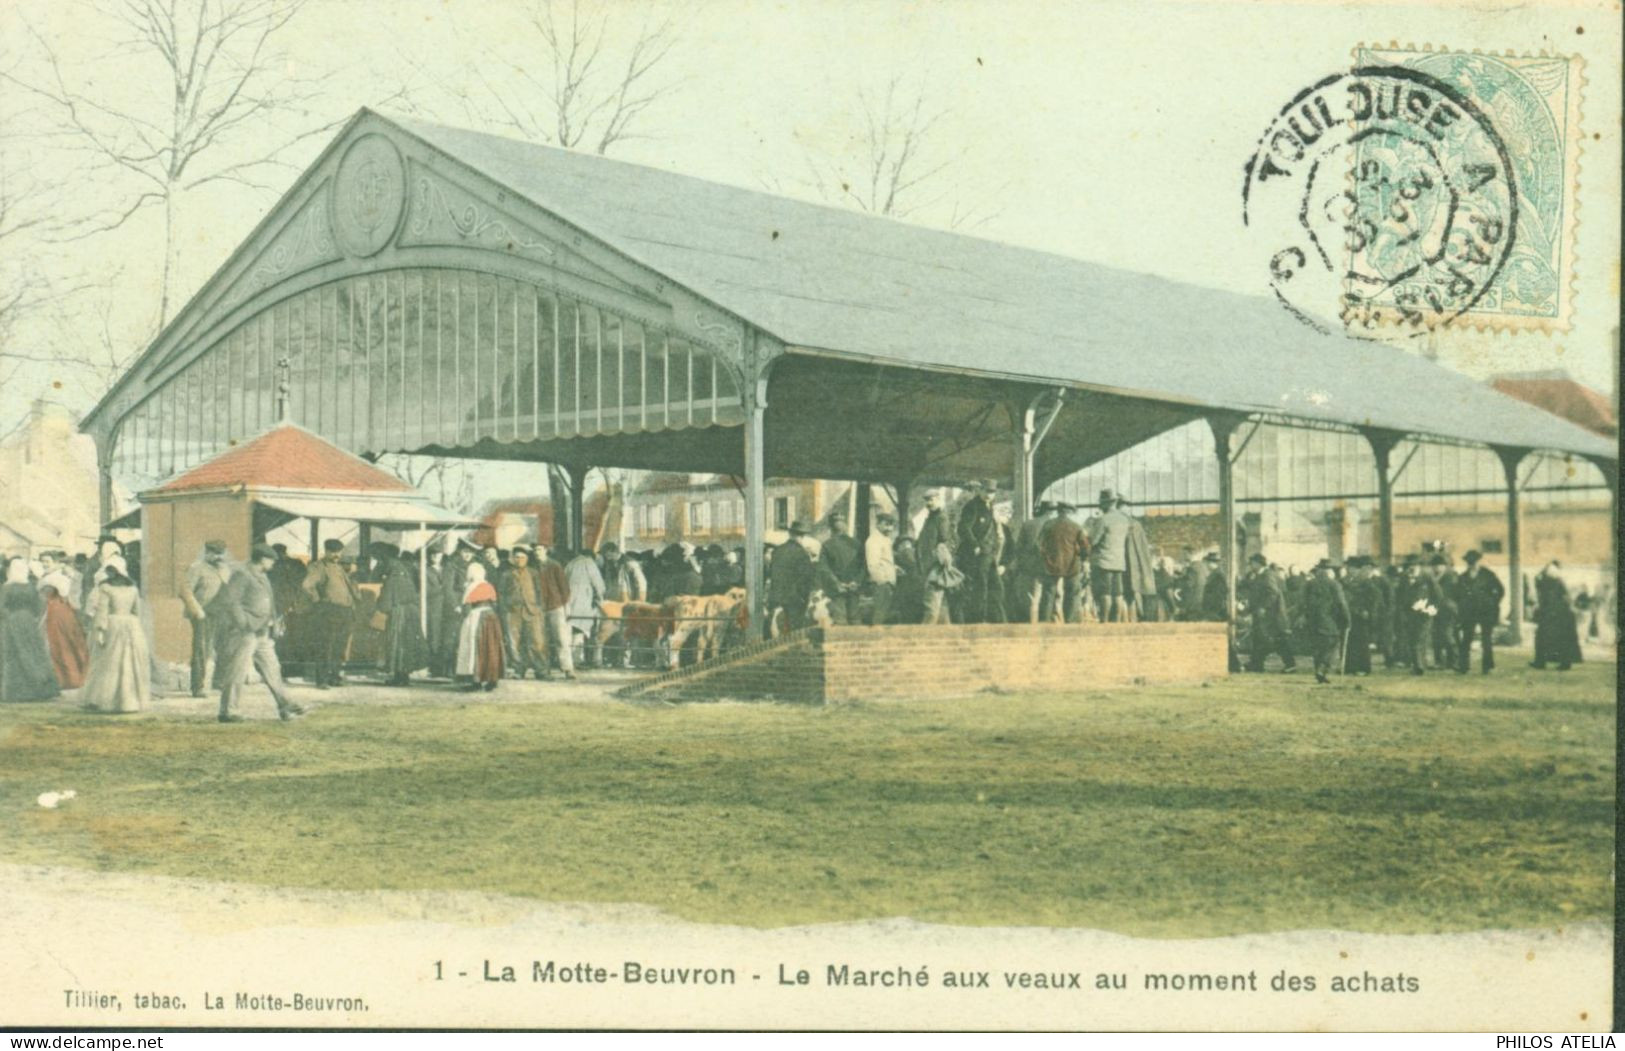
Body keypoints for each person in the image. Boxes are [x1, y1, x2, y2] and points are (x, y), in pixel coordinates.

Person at [216, 545, 305, 722]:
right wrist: (244, 623)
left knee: (273, 668)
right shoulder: (242, 574)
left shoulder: (262, 576)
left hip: (262, 632)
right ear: (263, 559)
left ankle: (285, 705)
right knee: (237, 671)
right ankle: (228, 711)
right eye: (271, 560)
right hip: (245, 633)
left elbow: (269, 601)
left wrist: (273, 621)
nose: (273, 563)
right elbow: (230, 602)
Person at [79, 557, 150, 714]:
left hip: (113, 624)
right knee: (128, 662)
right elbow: (137, 610)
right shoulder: (133, 588)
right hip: (131, 625)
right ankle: (128, 701)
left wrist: (99, 630)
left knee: (108, 663)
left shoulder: (106, 587)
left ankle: (106, 700)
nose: (109, 573)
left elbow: (102, 610)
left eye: (110, 570)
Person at [1, 557, 60, 703]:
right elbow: (38, 606)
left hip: (11, 622)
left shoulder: (6, 588)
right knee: (33, 653)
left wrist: (9, 617)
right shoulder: (31, 587)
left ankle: (15, 690)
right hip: (28, 622)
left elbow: (1, 607)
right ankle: (38, 688)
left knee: (12, 654)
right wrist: (32, 618)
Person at [180, 540, 234, 698]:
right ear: (207, 553)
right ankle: (198, 686)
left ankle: (219, 681)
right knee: (202, 650)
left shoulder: (225, 569)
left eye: (220, 554)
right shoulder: (196, 568)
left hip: (222, 613)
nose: (217, 557)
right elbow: (185, 591)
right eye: (214, 553)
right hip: (203, 613)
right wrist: (197, 610)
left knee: (224, 647)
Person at [302, 538, 359, 688]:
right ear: (326, 551)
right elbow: (307, 586)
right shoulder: (319, 567)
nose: (336, 555)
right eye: (332, 551)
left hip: (344, 611)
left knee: (339, 646)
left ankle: (334, 677)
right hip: (329, 611)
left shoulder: (339, 567)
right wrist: (319, 602)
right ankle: (322, 680)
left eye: (338, 551)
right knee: (325, 646)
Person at [376, 550, 430, 686]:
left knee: (397, 644)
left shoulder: (392, 578)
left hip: (399, 614)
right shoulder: (407, 575)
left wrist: (379, 604)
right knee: (408, 645)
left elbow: (384, 604)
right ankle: (404, 676)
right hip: (411, 613)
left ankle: (398, 676)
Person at [37, 552, 89, 691]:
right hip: (52, 611)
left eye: (47, 561)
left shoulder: (58, 577)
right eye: (42, 561)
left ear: (55, 562)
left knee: (59, 643)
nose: (44, 564)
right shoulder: (48, 576)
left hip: (57, 612)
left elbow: (67, 595)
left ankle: (65, 678)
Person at [954, 481, 1002, 623]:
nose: (989, 495)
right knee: (979, 587)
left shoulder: (990, 507)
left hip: (989, 554)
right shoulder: (972, 506)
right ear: (980, 490)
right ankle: (977, 619)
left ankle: (991, 618)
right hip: (976, 555)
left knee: (995, 587)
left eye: (992, 492)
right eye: (986, 491)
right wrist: (974, 545)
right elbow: (963, 528)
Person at [499, 546, 549, 680]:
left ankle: (541, 670)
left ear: (527, 559)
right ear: (513, 559)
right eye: (517, 557)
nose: (519, 560)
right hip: (512, 612)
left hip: (532, 611)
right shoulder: (506, 574)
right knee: (513, 643)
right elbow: (501, 594)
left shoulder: (533, 573)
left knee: (537, 641)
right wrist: (505, 609)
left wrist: (539, 608)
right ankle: (518, 669)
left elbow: (540, 591)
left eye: (522, 557)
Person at [454, 562, 505, 691]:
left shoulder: (472, 587)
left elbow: (466, 606)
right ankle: (491, 679)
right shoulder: (488, 585)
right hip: (491, 618)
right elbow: (495, 603)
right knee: (490, 647)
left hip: (477, 618)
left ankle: (476, 680)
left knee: (474, 647)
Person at [1086, 489, 1134, 622]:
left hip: (1103, 561)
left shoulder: (1103, 520)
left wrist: (1089, 531)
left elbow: (1094, 541)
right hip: (1119, 562)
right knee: (1118, 594)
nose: (1100, 506)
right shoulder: (1124, 520)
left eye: (1101, 503)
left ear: (1106, 503)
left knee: (1105, 593)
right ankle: (1117, 621)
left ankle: (1104, 620)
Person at [1244, 553, 1297, 672]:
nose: (1251, 566)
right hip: (1263, 615)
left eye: (1252, 563)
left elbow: (1273, 593)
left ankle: (1290, 664)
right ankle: (1256, 663)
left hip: (1271, 615)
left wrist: (1263, 607)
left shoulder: (1267, 575)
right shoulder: (1259, 575)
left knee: (1277, 640)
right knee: (1259, 638)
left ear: (1258, 564)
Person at [1455, 549, 1504, 674]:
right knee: (1467, 638)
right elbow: (1458, 595)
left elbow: (1500, 590)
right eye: (1469, 563)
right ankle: (1463, 667)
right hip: (1469, 612)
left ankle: (1487, 667)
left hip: (1486, 611)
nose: (1472, 565)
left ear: (1478, 561)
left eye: (1474, 562)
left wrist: (1493, 602)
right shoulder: (1463, 577)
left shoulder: (1488, 575)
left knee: (1486, 639)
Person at [1303, 559, 1351, 684]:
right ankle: (1322, 669)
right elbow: (1341, 603)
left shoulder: (1310, 584)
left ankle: (1319, 672)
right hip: (1329, 620)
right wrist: (1347, 619)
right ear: (1329, 571)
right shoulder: (1334, 584)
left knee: (1318, 647)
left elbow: (1303, 602)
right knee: (1332, 645)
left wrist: (1305, 616)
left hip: (1312, 620)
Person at [1039, 502, 1088, 623]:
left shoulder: (1048, 524)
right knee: (1072, 593)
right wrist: (1084, 559)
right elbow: (1085, 547)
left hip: (1051, 563)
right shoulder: (1076, 526)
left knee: (1048, 594)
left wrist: (1046, 557)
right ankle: (1070, 622)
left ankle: (1045, 622)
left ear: (1059, 511)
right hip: (1072, 564)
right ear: (1070, 512)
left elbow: (1039, 544)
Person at [1530, 561, 1582, 671]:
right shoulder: (1558, 582)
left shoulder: (1546, 583)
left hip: (1550, 615)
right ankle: (1563, 663)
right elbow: (1566, 598)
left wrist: (1543, 569)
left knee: (1542, 638)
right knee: (1562, 640)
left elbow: (1537, 580)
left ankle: (1541, 662)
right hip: (1561, 615)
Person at [534, 545, 575, 679]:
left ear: (545, 550)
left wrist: (564, 606)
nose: (537, 552)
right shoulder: (532, 566)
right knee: (541, 640)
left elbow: (564, 587)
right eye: (534, 550)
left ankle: (568, 668)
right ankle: (544, 670)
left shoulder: (554, 566)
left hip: (555, 606)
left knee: (560, 638)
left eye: (539, 549)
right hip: (538, 608)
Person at [767, 521, 816, 633]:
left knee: (775, 633)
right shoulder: (802, 553)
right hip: (794, 600)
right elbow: (807, 579)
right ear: (802, 536)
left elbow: (772, 572)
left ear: (790, 534)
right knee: (793, 633)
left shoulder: (777, 551)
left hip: (776, 598)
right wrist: (805, 598)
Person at [1395, 556, 1440, 675]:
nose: (1411, 568)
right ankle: (1418, 664)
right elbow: (1399, 595)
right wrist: (1402, 610)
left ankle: (1419, 666)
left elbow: (1437, 594)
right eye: (1409, 566)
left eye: (1414, 565)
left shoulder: (1427, 577)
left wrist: (1431, 607)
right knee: (1412, 639)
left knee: (1419, 639)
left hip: (1425, 613)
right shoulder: (1404, 578)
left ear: (1419, 566)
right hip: (1409, 613)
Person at [915, 493, 956, 625]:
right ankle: (949, 638)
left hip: (935, 567)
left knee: (931, 606)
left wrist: (937, 559)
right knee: (942, 608)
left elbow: (944, 541)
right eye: (926, 500)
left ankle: (922, 638)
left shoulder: (941, 518)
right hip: (930, 566)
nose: (929, 503)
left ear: (938, 499)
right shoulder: (931, 518)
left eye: (931, 500)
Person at [1012, 502, 1055, 623]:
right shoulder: (1055, 524)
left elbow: (1018, 547)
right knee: (1049, 598)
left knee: (1033, 598)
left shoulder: (1028, 524)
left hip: (1031, 567)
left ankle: (1032, 625)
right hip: (1051, 567)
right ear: (1051, 512)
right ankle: (1046, 625)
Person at [820, 511, 864, 625]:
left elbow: (824, 568)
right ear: (845, 525)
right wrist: (856, 582)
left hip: (837, 589)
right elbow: (863, 566)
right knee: (855, 620)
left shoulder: (827, 545)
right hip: (854, 588)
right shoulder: (856, 544)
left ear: (830, 527)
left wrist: (837, 583)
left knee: (840, 621)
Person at [564, 547, 605, 666]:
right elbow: (598, 584)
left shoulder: (570, 564)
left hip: (568, 601)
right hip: (583, 601)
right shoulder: (589, 563)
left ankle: (569, 659)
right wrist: (600, 598)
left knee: (570, 629)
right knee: (580, 629)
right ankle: (578, 659)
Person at [1342, 557, 1381, 676]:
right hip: (1349, 614)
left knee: (1362, 642)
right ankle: (1350, 667)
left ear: (1357, 569)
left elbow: (1375, 596)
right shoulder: (1345, 580)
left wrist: (1367, 610)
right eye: (1348, 567)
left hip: (1361, 615)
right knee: (1350, 641)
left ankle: (1363, 667)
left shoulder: (1365, 581)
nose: (1349, 570)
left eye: (1351, 568)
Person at [423, 548, 454, 678]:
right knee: (434, 636)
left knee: (447, 637)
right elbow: (424, 589)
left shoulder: (448, 570)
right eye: (433, 554)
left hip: (448, 607)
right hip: (433, 606)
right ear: (429, 556)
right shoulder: (425, 570)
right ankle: (434, 667)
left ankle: (447, 668)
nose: (436, 556)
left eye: (438, 554)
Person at [1427, 554, 1460, 670]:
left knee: (1447, 635)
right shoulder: (1432, 577)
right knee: (1435, 636)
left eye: (1438, 566)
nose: (1436, 568)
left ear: (1444, 566)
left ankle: (1454, 661)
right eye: (1434, 566)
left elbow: (1455, 594)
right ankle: (1439, 661)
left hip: (1448, 610)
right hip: (1434, 610)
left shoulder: (1451, 577)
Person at [865, 514, 898, 625]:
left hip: (888, 582)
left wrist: (895, 569)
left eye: (891, 525)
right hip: (882, 583)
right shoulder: (874, 540)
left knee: (885, 612)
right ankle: (875, 636)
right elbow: (873, 564)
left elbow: (885, 560)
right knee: (880, 612)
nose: (890, 528)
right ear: (878, 524)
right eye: (886, 525)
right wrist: (883, 582)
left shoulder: (884, 539)